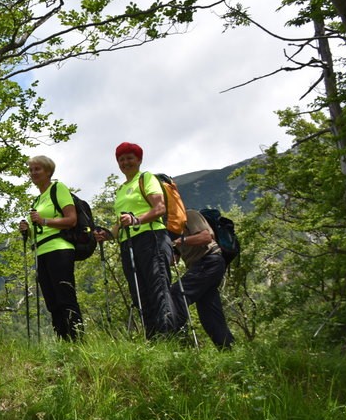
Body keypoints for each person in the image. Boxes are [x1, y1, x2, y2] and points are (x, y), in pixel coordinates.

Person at [93, 142, 178, 339]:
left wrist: (136, 219)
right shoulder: (121, 189)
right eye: (121, 159)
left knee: (158, 287)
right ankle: (154, 339)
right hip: (129, 243)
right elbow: (119, 223)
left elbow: (160, 208)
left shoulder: (146, 178)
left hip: (152, 238)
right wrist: (107, 235)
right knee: (139, 293)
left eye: (130, 158)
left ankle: (169, 337)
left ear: (139, 160)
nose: (125, 162)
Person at [18, 156, 84, 341]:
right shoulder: (37, 200)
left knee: (65, 296)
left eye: (37, 169)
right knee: (52, 301)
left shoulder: (58, 189)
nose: (33, 173)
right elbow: (40, 229)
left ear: (48, 171)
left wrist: (44, 220)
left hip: (60, 249)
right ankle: (63, 341)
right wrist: (28, 230)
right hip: (41, 253)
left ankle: (77, 340)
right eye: (31, 170)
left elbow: (71, 220)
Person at [171, 210, 235, 349]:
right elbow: (173, 260)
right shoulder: (173, 229)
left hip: (210, 261)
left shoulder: (189, 215)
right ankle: (228, 350)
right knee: (209, 314)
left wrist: (181, 240)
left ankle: (175, 337)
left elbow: (206, 237)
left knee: (177, 293)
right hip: (202, 266)